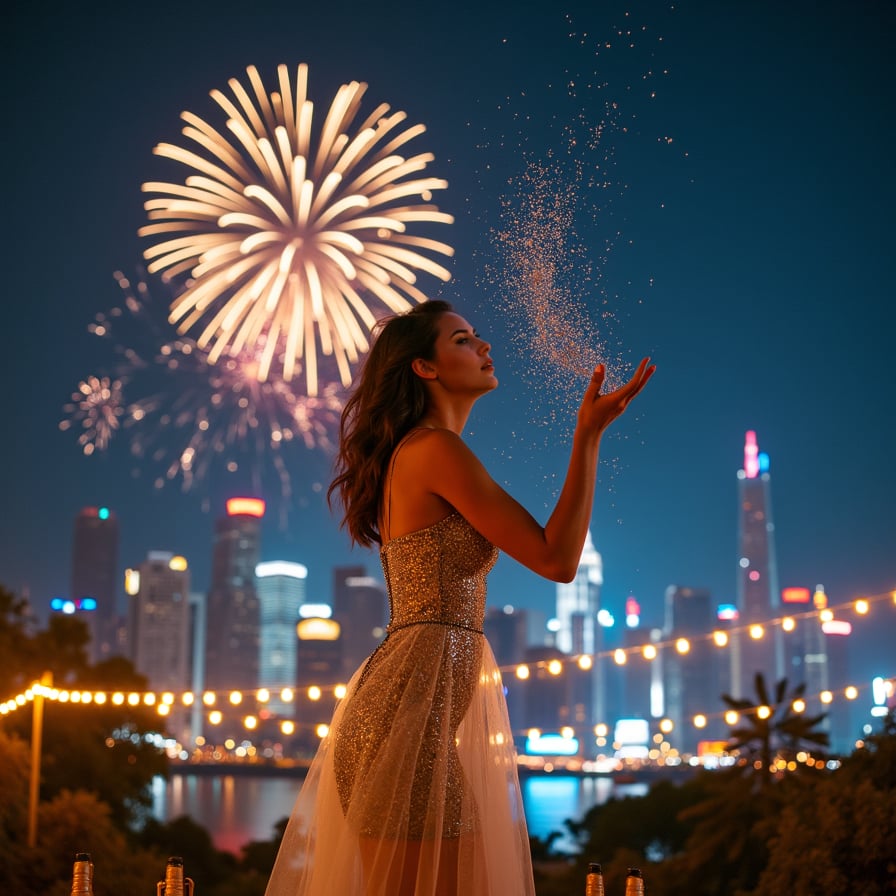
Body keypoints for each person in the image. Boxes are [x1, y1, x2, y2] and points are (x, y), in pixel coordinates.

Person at [264, 300, 654, 896]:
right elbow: (556, 558)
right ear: (425, 367)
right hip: (402, 734)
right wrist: (587, 436)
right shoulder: (433, 450)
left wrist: (590, 436)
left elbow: (557, 558)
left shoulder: (429, 451)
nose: (484, 347)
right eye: (464, 339)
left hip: (415, 733)